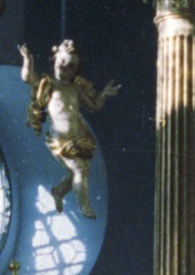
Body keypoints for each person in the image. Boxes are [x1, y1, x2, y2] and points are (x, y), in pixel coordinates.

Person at [20, 39, 120, 218]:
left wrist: (104, 93)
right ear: (54, 60)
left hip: (77, 140)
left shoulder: (75, 88)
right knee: (79, 169)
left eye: (72, 66)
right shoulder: (49, 83)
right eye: (63, 62)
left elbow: (94, 105)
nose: (66, 68)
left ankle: (58, 191)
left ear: (76, 70)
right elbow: (28, 77)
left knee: (81, 169)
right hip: (59, 142)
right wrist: (28, 60)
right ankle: (83, 205)